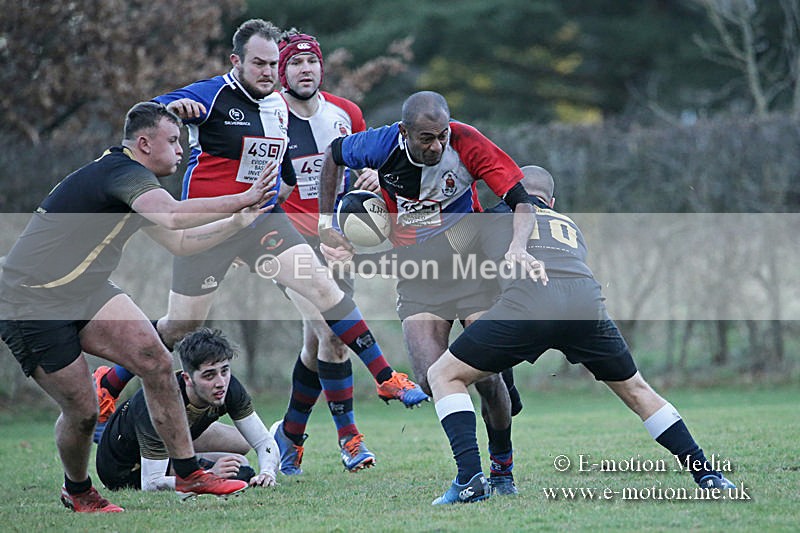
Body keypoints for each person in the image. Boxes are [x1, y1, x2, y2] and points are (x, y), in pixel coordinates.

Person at [93, 19, 427, 473]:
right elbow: (148, 115)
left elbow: (285, 170)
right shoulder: (212, 95)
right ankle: (109, 379)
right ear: (237, 62)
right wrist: (176, 109)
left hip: (261, 222)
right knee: (182, 323)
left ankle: (387, 378)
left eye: (274, 63)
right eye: (260, 63)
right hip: (209, 227)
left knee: (325, 294)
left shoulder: (277, 107)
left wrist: (307, 198)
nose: (269, 71)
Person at [0, 101, 277, 512]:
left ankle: (188, 474)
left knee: (156, 360)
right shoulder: (123, 173)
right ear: (144, 143)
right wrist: (241, 198)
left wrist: (235, 225)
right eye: (173, 140)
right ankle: (78, 492)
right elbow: (172, 216)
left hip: (85, 290)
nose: (181, 149)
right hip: (30, 299)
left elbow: (180, 242)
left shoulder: (134, 185)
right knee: (83, 411)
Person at [425, 165, 737, 504]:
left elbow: (441, 253)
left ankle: (470, 479)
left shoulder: (491, 217)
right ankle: (708, 475)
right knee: (637, 390)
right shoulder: (570, 225)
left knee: (444, 374)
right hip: (585, 305)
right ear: (552, 200)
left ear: (507, 191)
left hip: (529, 305)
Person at [318, 91, 545, 494]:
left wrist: (517, 246)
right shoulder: (378, 145)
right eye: (426, 138)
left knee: (485, 375)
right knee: (430, 376)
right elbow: (333, 155)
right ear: (404, 132)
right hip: (417, 272)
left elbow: (522, 201)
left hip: (470, 267)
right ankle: (472, 474)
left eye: (441, 135)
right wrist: (326, 222)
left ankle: (500, 470)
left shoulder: (466, 142)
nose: (437, 145)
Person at [269, 29, 386, 475]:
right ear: (282, 72)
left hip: (337, 241)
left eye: (311, 62)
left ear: (321, 67)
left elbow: (368, 163)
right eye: (295, 63)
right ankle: (350, 439)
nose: (305, 69)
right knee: (331, 332)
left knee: (316, 342)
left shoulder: (346, 113)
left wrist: (373, 178)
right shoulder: (269, 116)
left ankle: (291, 436)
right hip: (285, 242)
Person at [96, 328, 279, 493]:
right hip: (125, 469)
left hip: (174, 438)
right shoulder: (159, 405)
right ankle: (192, 465)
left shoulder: (227, 386)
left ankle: (191, 460)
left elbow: (263, 441)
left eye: (224, 370)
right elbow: (150, 483)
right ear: (187, 379)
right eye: (209, 375)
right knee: (241, 470)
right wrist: (208, 474)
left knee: (241, 445)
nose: (220, 382)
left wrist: (267, 473)